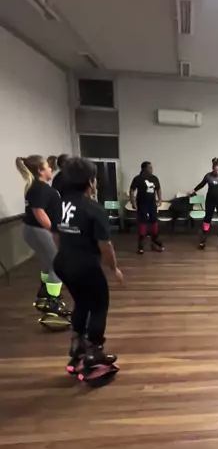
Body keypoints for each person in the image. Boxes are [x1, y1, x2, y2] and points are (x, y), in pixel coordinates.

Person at [53, 157, 123, 373]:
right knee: (99, 306)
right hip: (85, 266)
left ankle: (78, 344)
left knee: (82, 302)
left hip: (62, 263)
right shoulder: (93, 208)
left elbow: (56, 235)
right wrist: (113, 269)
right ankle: (95, 352)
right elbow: (105, 245)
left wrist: (68, 253)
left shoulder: (59, 204)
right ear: (90, 182)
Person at [15, 155, 70, 320]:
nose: (50, 169)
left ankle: (45, 292)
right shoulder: (40, 188)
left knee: (47, 262)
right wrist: (53, 230)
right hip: (39, 230)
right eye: (47, 167)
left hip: (33, 230)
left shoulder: (35, 187)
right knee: (57, 264)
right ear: (40, 170)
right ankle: (53, 302)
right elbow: (39, 212)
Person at [129, 161, 164, 255]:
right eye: (150, 168)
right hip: (142, 204)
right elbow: (132, 190)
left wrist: (160, 199)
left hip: (152, 204)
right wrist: (133, 202)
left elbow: (158, 189)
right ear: (144, 168)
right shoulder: (138, 178)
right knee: (142, 222)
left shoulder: (154, 178)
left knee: (154, 221)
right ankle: (141, 245)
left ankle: (154, 241)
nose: (152, 169)